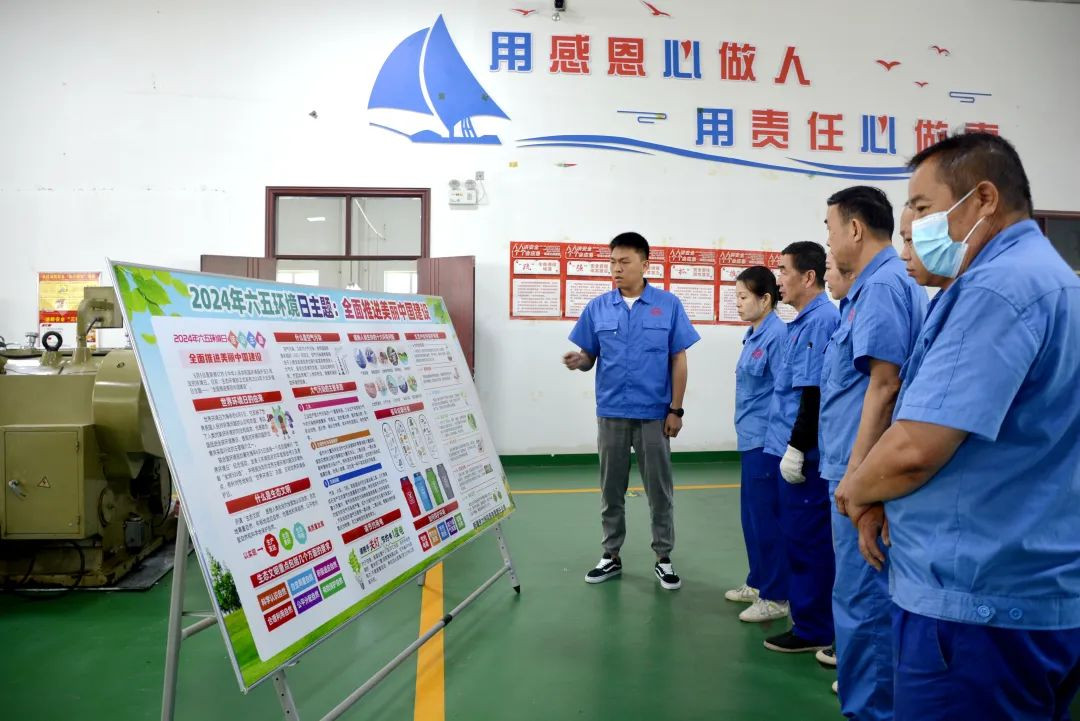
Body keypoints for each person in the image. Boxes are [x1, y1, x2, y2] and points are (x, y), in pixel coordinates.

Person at [835, 133, 1080, 720]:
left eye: (922, 207)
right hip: (1036, 584)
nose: (914, 227)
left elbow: (917, 447)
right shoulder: (1051, 278)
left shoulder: (997, 287)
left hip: (975, 605)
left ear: (984, 199)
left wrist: (856, 492)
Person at [819, 187, 927, 719]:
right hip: (854, 468)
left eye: (830, 229)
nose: (829, 241)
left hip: (859, 473)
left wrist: (860, 479)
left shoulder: (881, 287)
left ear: (856, 229)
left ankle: (873, 710)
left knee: (864, 601)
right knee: (860, 598)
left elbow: (885, 386)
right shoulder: (875, 286)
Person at [564, 231, 700, 590]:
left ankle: (663, 557)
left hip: (654, 414)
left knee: (659, 490)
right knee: (611, 488)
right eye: (612, 262)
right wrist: (580, 361)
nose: (616, 268)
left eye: (624, 261)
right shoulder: (598, 307)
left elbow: (679, 359)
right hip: (611, 412)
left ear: (645, 264)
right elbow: (589, 357)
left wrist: (676, 410)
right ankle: (611, 554)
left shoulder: (668, 305)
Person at [762, 241, 840, 653]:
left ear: (809, 277)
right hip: (786, 443)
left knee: (809, 541)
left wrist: (796, 447)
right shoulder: (801, 320)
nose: (778, 279)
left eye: (784, 270)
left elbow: (814, 392)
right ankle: (808, 619)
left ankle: (815, 628)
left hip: (805, 452)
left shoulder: (820, 321)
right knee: (795, 537)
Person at [726, 266, 790, 622]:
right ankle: (758, 581)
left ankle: (776, 597)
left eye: (743, 297)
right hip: (750, 439)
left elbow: (785, 392)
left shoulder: (777, 336)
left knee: (767, 521)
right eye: (736, 296)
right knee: (751, 518)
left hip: (767, 442)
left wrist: (782, 444)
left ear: (765, 299)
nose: (737, 303)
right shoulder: (753, 335)